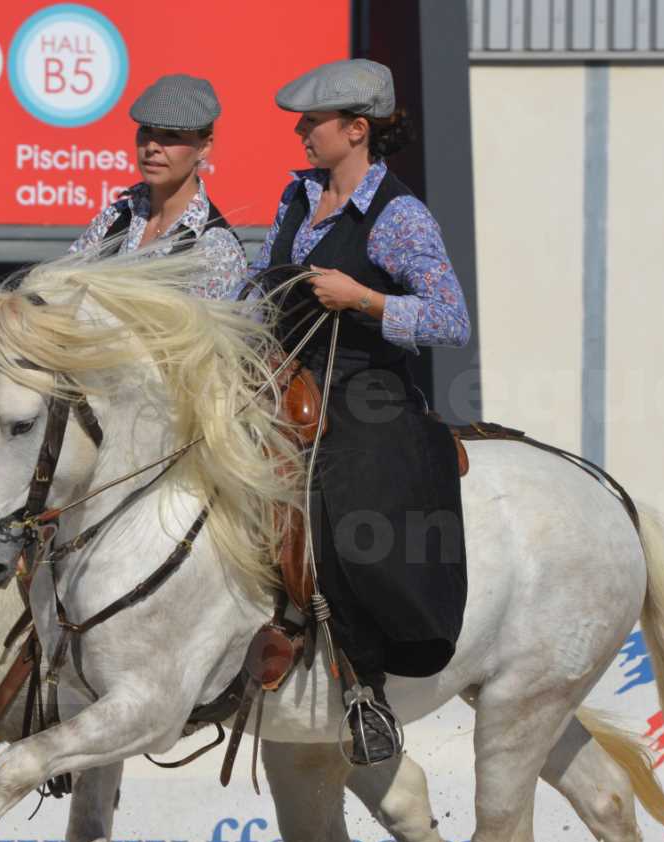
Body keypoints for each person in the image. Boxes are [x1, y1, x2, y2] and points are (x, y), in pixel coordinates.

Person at [248, 58, 472, 764]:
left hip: (362, 391)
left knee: (345, 498)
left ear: (355, 129)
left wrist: (365, 299)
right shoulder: (296, 196)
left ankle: (363, 688)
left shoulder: (398, 216)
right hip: (278, 381)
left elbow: (449, 319)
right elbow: (259, 291)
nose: (300, 131)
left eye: (312, 122)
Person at [69, 73, 246, 300]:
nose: (151, 146)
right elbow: (63, 289)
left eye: (171, 135)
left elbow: (203, 334)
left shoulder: (215, 248)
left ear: (204, 146)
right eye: (146, 130)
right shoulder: (116, 216)